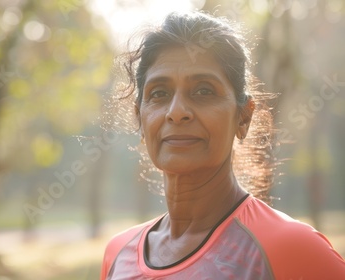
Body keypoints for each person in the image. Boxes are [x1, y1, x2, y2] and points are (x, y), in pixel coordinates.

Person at [100, 11, 345, 279]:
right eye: (159, 93)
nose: (177, 111)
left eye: (204, 90)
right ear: (140, 117)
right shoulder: (118, 254)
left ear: (244, 117)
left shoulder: (291, 250)